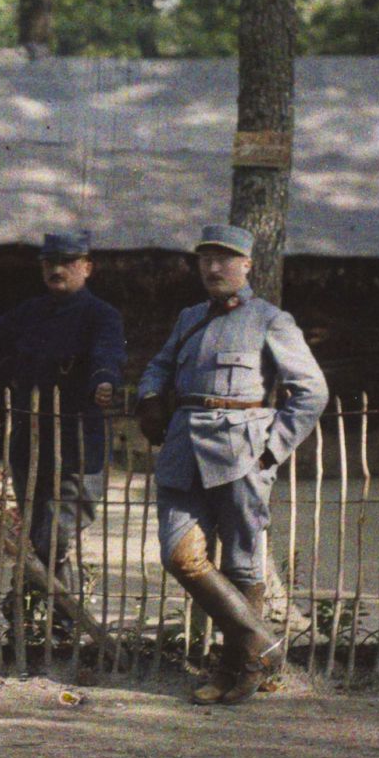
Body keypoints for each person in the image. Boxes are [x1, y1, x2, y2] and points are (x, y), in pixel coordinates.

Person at [136, 222, 327, 706]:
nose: (213, 267)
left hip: (241, 453)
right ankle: (264, 643)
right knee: (180, 556)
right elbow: (159, 365)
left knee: (242, 561)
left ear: (247, 265)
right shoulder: (189, 318)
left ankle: (238, 669)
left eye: (224, 259)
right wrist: (150, 396)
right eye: (206, 259)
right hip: (183, 451)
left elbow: (312, 392)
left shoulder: (270, 320)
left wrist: (271, 449)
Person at [0, 229, 127, 622]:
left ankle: (21, 600)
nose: (57, 270)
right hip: (31, 442)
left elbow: (108, 354)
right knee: (38, 528)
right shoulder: (30, 312)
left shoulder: (102, 316)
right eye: (49, 263)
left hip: (79, 442)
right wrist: (10, 371)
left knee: (57, 532)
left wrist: (103, 382)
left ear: (87, 268)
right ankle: (61, 623)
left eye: (67, 263)